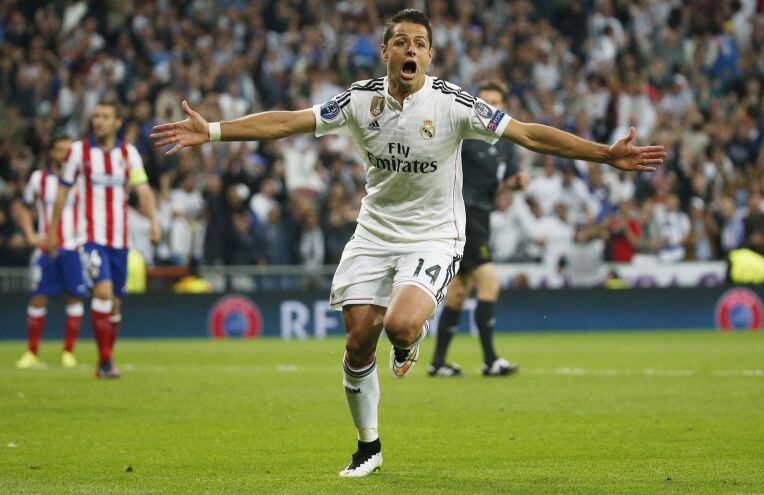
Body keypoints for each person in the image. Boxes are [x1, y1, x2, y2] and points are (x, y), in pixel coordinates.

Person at [150, 9, 665, 477]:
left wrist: (604, 154)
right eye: (401, 42)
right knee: (357, 343)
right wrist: (212, 131)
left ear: (430, 55)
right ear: (385, 51)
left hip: (434, 235)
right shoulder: (359, 100)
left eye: (419, 43)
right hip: (374, 232)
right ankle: (368, 446)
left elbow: (528, 134)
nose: (410, 50)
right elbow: (289, 121)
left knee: (399, 324)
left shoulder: (454, 104)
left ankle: (410, 340)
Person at [48, 101, 160, 378]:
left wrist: (153, 222)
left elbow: (143, 190)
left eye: (105, 116)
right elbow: (63, 190)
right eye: (96, 116)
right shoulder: (79, 151)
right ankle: (107, 361)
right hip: (91, 237)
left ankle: (104, 360)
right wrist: (52, 230)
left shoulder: (129, 153)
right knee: (103, 292)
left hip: (120, 240)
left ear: (117, 122)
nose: (98, 121)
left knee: (115, 305)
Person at [428, 79, 528, 378]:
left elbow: (503, 182)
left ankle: (438, 363)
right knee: (489, 284)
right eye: (484, 103)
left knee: (458, 292)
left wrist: (516, 183)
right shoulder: (464, 136)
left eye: (495, 103)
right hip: (463, 215)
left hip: (482, 216)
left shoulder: (506, 143)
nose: (489, 108)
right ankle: (490, 360)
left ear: (504, 107)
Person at [14, 136, 86, 369]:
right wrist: (29, 235)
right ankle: (32, 352)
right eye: (59, 150)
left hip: (74, 246)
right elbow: (23, 208)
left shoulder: (81, 180)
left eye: (68, 151)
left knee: (74, 297)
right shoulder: (39, 179)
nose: (64, 155)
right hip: (45, 247)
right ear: (52, 153)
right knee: (38, 297)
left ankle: (68, 352)